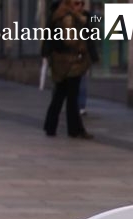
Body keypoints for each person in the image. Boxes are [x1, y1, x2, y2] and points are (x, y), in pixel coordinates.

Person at [42, 0, 95, 139]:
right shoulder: (68, 18)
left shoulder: (60, 15)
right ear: (69, 4)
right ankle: (74, 130)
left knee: (61, 95)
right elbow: (69, 40)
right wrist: (82, 47)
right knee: (70, 97)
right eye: (77, 3)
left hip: (63, 62)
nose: (80, 6)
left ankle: (51, 127)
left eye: (82, 3)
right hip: (71, 62)